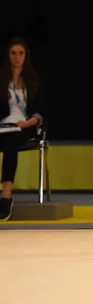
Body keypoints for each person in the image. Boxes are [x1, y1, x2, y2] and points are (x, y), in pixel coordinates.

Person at [0, 37, 45, 221]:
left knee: (11, 141)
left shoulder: (34, 80)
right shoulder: (1, 79)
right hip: (3, 126)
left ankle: (5, 196)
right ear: (8, 55)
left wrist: (29, 122)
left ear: (26, 56)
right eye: (13, 53)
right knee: (8, 136)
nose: (17, 57)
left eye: (21, 53)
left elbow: (41, 112)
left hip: (26, 127)